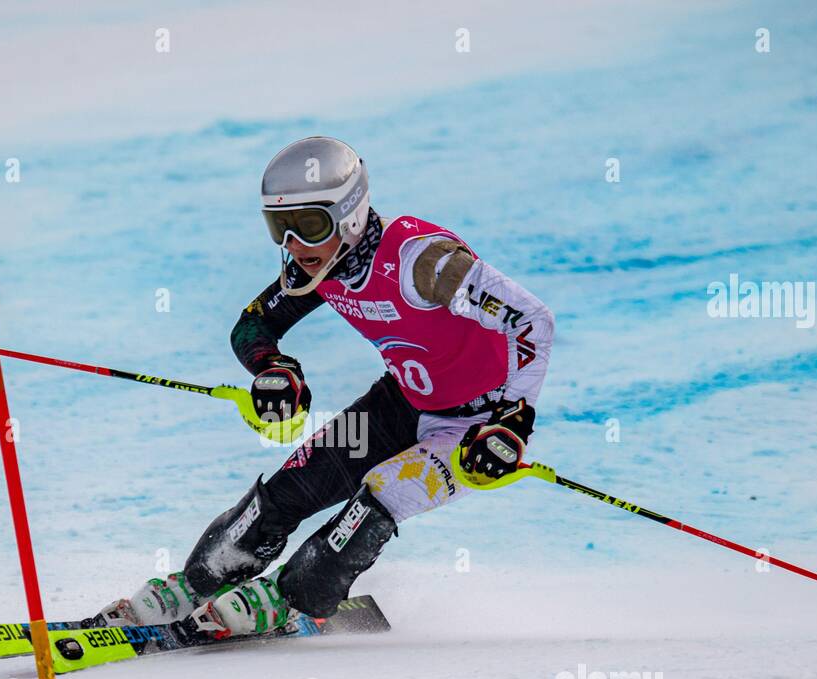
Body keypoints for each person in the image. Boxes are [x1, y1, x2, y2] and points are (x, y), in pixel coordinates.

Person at [102, 136, 555, 639]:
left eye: (309, 225)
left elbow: (532, 321)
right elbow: (252, 326)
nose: (293, 244)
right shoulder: (316, 267)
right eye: (281, 227)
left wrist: (513, 421)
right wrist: (274, 370)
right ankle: (197, 583)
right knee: (289, 491)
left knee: (379, 494)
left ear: (349, 217)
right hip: (400, 403)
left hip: (473, 426)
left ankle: (293, 597)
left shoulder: (420, 262)